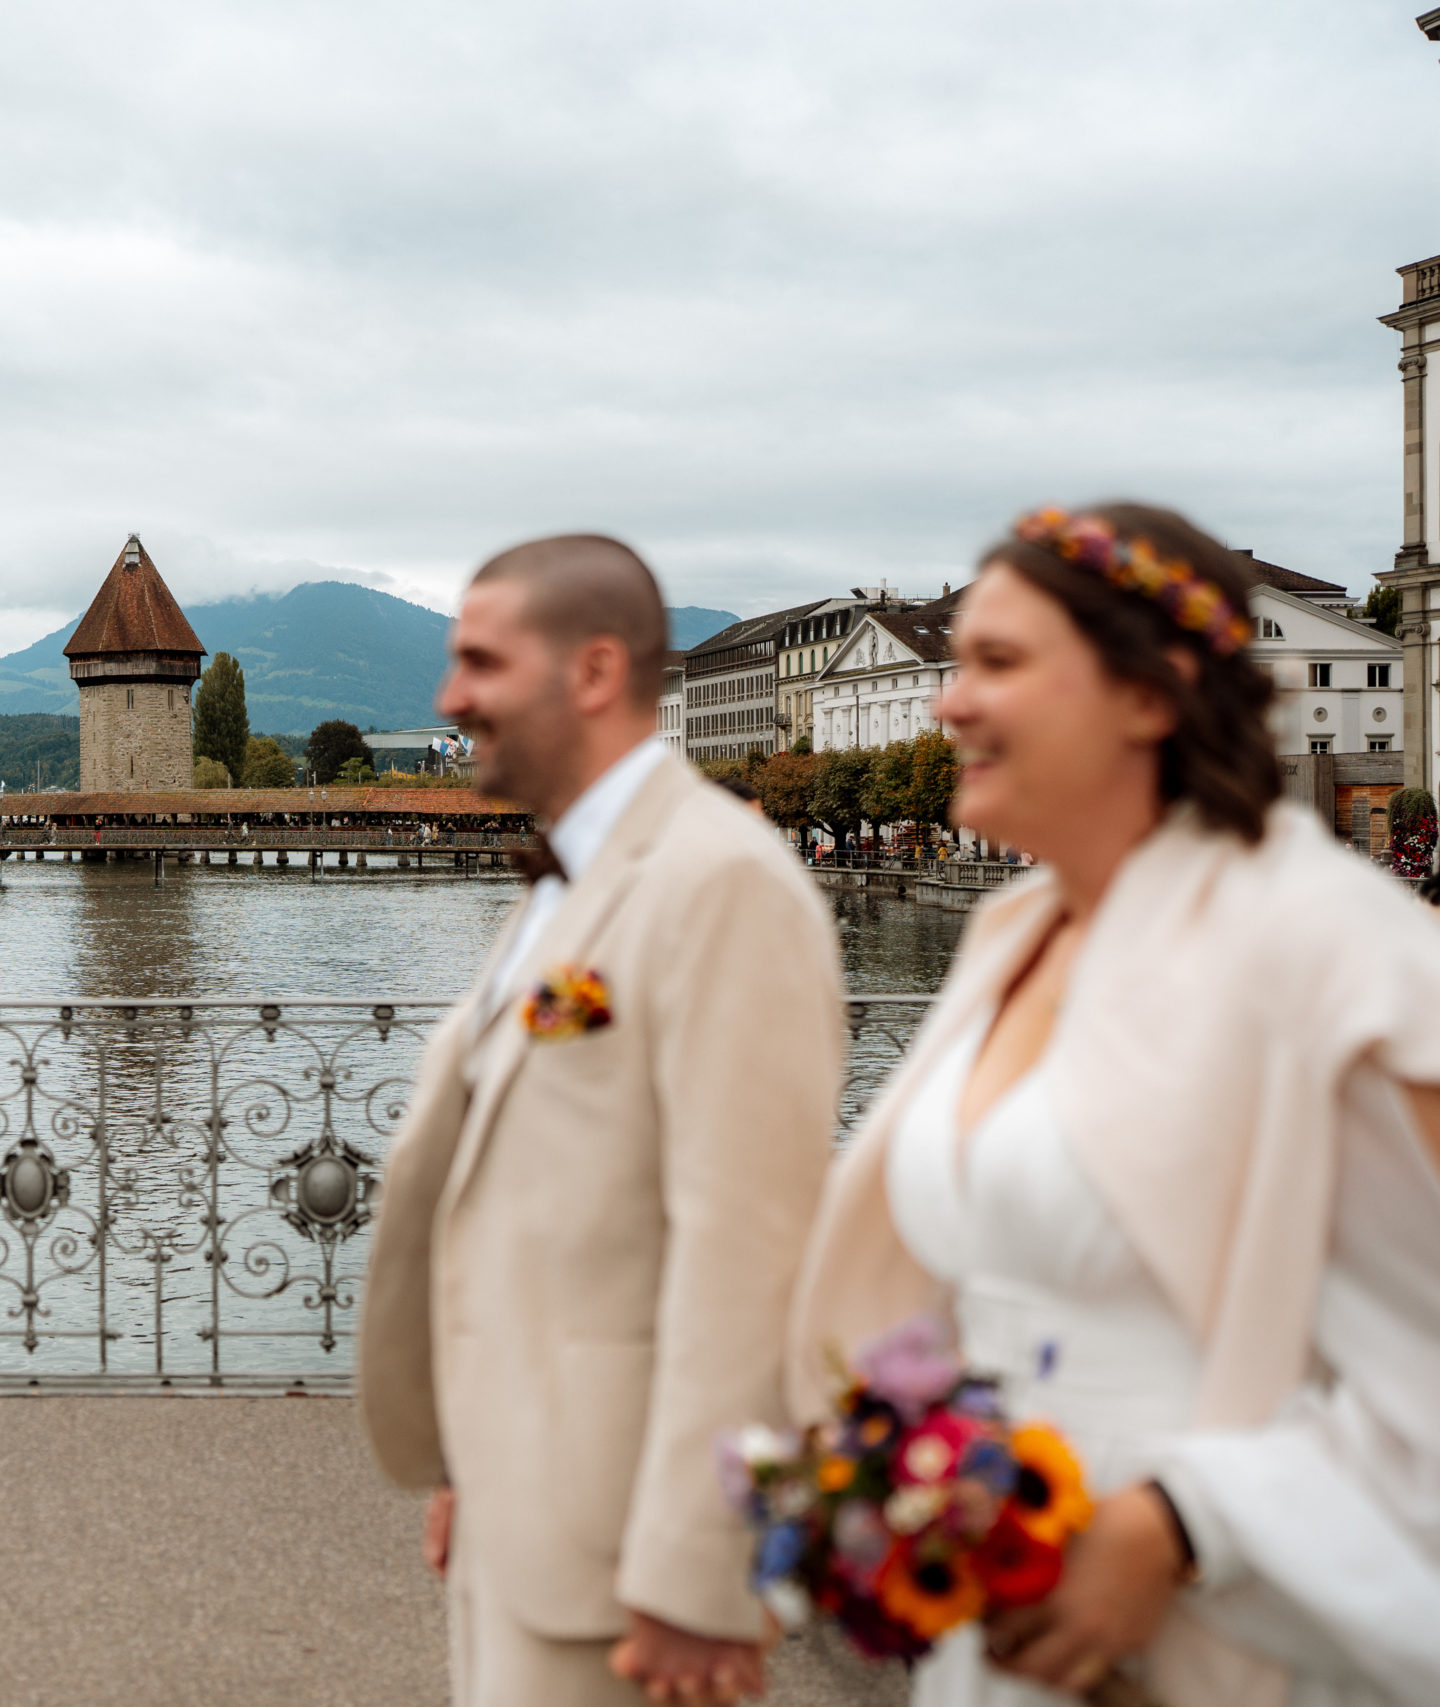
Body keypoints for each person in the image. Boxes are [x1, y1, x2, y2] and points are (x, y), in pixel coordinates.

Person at [786, 503, 1440, 1705]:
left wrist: (1185, 1526)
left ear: (1151, 695)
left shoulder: (1331, 954)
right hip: (998, 1611)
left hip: (1218, 1632)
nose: (948, 703)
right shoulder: (1014, 931)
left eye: (999, 664)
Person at [356, 535, 847, 1706]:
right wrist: (468, 1460)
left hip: (626, 1568)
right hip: (529, 1511)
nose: (448, 699)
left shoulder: (717, 882)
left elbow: (748, 1252)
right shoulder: (573, 880)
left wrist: (699, 1576)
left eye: (479, 662)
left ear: (589, 672)